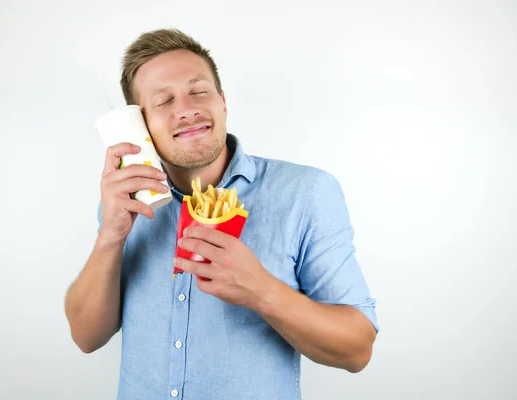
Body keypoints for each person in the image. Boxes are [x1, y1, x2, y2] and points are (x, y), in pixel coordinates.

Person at [65, 28, 379, 399]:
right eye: (163, 101)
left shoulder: (305, 193)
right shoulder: (126, 203)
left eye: (199, 91)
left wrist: (261, 290)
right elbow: (86, 337)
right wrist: (110, 237)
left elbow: (357, 350)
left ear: (223, 102)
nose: (187, 109)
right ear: (141, 124)